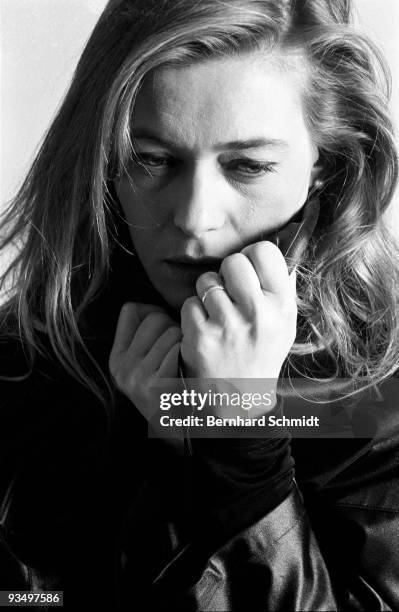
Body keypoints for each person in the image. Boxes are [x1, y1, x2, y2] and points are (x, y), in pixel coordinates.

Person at [1, 0, 399, 609]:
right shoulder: (23, 361)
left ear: (328, 160)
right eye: (152, 160)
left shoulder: (384, 391)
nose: (194, 220)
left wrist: (235, 444)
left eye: (248, 166)